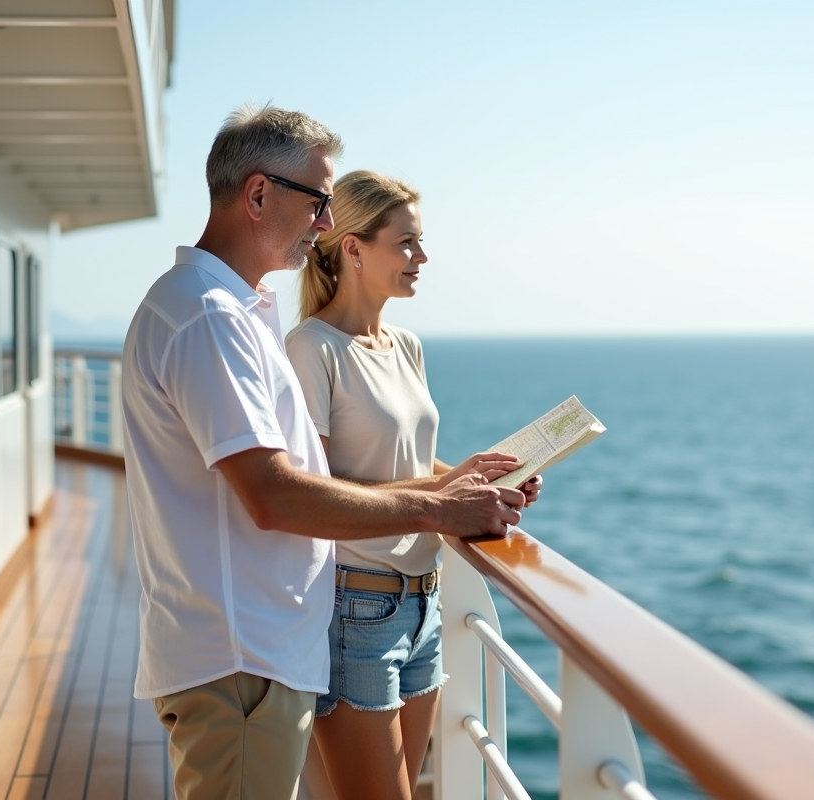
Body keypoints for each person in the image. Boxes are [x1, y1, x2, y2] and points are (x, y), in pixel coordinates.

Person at [121, 107, 528, 800]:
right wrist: (436, 511)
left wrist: (457, 491)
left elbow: (293, 475)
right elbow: (275, 495)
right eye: (318, 202)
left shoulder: (228, 310)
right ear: (257, 195)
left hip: (256, 650)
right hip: (240, 658)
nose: (324, 223)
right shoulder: (208, 318)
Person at [286, 170, 544, 800]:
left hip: (424, 601)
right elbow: (318, 491)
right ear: (353, 248)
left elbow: (406, 466)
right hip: (358, 606)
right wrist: (441, 502)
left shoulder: (406, 345)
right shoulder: (311, 348)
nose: (421, 258)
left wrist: (476, 478)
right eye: (405, 243)